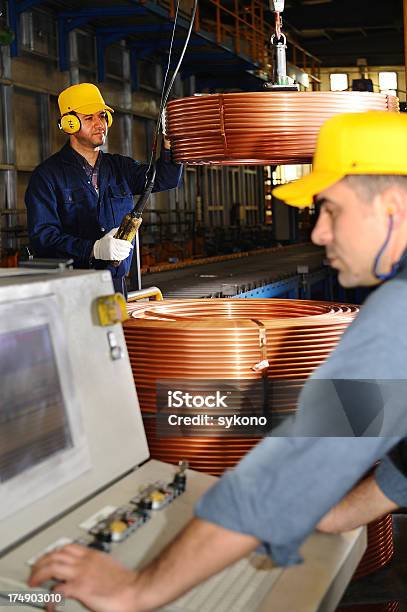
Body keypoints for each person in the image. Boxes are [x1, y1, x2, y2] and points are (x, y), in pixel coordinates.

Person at [29, 111, 407, 611]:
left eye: (331, 210)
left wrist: (138, 590)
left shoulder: (398, 315)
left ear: (391, 207)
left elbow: (292, 467)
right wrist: (337, 513)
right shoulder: (51, 175)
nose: (317, 234)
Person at [25, 83, 182, 296]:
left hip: (115, 287)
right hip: (71, 290)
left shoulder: (120, 167)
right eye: (89, 118)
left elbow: (165, 179)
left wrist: (171, 145)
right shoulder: (47, 176)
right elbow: (43, 238)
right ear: (69, 124)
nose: (100, 124)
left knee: (115, 331)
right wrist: (93, 249)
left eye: (102, 116)